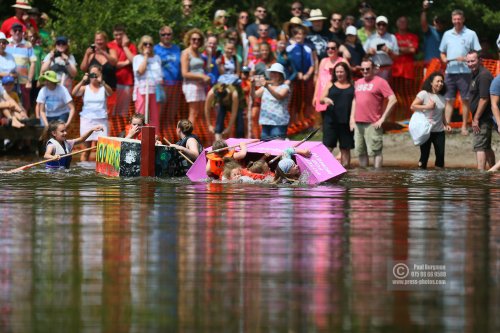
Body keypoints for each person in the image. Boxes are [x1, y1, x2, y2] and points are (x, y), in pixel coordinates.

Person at [440, 9, 481, 136]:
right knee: (448, 99)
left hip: (465, 72)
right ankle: (447, 127)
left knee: (465, 99)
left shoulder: (471, 34)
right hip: (450, 72)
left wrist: (466, 58)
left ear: (463, 19)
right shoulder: (447, 34)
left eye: (459, 19)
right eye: (455, 19)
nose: (457, 21)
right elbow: (442, 52)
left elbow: (477, 52)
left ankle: (464, 126)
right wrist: (444, 59)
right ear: (452, 20)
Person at [351, 58, 397, 168]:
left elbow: (393, 99)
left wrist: (383, 119)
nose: (365, 71)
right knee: (360, 151)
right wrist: (351, 118)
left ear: (373, 69)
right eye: (362, 69)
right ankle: (363, 176)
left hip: (373, 123)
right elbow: (354, 100)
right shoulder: (358, 82)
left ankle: (377, 175)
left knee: (376, 151)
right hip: (358, 123)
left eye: (367, 69)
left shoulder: (380, 82)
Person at [410, 72, 451, 169]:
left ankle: (439, 180)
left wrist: (446, 125)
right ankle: (422, 180)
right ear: (431, 83)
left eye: (442, 81)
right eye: (438, 81)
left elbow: (442, 114)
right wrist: (427, 106)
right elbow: (413, 106)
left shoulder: (442, 97)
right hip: (426, 130)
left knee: (440, 157)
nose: (440, 83)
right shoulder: (424, 94)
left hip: (439, 131)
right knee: (424, 156)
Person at [72, 64, 113, 161]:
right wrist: (83, 80)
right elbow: (74, 93)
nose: (94, 77)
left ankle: (102, 170)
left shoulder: (104, 88)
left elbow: (110, 93)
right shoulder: (85, 88)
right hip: (87, 120)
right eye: (92, 74)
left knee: (103, 149)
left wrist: (102, 82)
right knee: (86, 149)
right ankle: (84, 172)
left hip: (101, 120)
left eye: (96, 74)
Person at [319, 62, 355, 168]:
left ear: (346, 72)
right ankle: (325, 168)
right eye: (337, 72)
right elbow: (320, 99)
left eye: (341, 71)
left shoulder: (353, 85)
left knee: (345, 148)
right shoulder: (331, 83)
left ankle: (346, 169)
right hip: (331, 120)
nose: (339, 74)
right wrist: (325, 99)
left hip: (346, 121)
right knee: (328, 147)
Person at [465, 51, 495, 171]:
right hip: (480, 117)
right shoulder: (474, 74)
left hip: (483, 117)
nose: (470, 64)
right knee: (486, 146)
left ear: (480, 60)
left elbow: (484, 99)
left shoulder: (483, 75)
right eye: (468, 61)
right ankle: (494, 170)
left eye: (473, 61)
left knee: (479, 146)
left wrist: (476, 118)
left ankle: (480, 175)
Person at [132, 35, 163, 133]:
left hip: (155, 89)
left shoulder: (157, 58)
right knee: (140, 114)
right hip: (142, 89)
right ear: (141, 45)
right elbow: (140, 71)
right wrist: (145, 56)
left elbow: (160, 75)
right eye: (145, 44)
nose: (148, 46)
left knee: (155, 115)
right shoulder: (137, 58)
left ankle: (155, 136)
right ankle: (138, 135)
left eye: (150, 44)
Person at [251, 63, 291, 139]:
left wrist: (267, 86)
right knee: (265, 148)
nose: (273, 74)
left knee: (277, 148)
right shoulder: (266, 87)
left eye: (276, 73)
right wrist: (252, 85)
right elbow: (254, 95)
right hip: (266, 122)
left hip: (279, 123)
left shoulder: (285, 87)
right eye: (272, 72)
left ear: (281, 75)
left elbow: (279, 96)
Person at [181, 28, 210, 125]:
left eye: (198, 39)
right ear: (189, 40)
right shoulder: (186, 53)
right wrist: (201, 76)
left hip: (201, 86)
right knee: (193, 113)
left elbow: (206, 70)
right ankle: (188, 137)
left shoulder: (199, 54)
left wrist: (209, 55)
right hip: (191, 85)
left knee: (200, 113)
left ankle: (198, 136)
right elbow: (184, 73)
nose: (196, 41)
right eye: (194, 39)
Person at [6, 23, 37, 112]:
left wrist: (29, 81)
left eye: (19, 30)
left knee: (24, 106)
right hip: (7, 80)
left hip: (23, 81)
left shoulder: (28, 45)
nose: (17, 32)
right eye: (15, 30)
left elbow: (33, 63)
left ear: (22, 33)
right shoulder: (5, 43)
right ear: (11, 32)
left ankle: (24, 124)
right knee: (8, 105)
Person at [108, 25, 137, 118]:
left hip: (126, 83)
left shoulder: (131, 46)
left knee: (122, 112)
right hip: (112, 83)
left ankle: (121, 132)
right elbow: (113, 64)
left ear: (125, 34)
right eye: (116, 35)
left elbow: (134, 61)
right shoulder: (109, 45)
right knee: (111, 110)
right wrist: (126, 62)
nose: (118, 37)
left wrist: (125, 46)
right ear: (113, 35)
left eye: (121, 34)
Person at [154, 25, 182, 125]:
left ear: (172, 35)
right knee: (159, 113)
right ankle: (157, 137)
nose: (166, 36)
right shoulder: (155, 49)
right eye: (163, 34)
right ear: (160, 36)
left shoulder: (177, 48)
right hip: (161, 85)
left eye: (169, 34)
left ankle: (168, 137)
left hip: (176, 85)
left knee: (171, 114)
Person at [313, 40, 347, 112]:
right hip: (322, 95)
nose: (330, 50)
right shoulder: (323, 61)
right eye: (328, 48)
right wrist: (315, 96)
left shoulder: (343, 61)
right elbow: (319, 80)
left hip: (336, 96)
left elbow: (348, 79)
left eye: (333, 48)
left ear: (337, 49)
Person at [364, 16, 399, 80]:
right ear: (375, 25)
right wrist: (369, 53)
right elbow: (363, 56)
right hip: (374, 69)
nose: (381, 27)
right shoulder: (370, 38)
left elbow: (396, 57)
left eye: (384, 24)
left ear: (387, 26)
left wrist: (389, 51)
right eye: (379, 24)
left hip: (387, 69)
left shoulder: (392, 37)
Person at [420, 1, 444, 67]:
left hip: (442, 65)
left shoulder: (447, 34)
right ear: (434, 22)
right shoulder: (430, 30)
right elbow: (423, 22)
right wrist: (424, 10)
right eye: (437, 21)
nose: (439, 23)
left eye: (441, 22)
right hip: (429, 64)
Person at [488, 74, 500, 172]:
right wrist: (499, 124)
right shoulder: (497, 81)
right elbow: (494, 105)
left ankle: (492, 171)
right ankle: (491, 172)